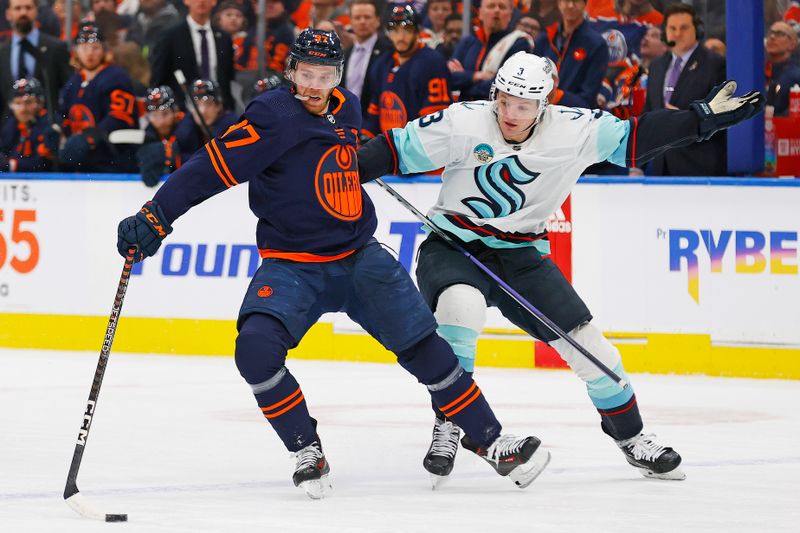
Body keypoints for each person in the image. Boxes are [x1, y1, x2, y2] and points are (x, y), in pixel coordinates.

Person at [115, 28, 551, 499]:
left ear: (338, 75)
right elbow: (209, 166)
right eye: (306, 74)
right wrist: (156, 215)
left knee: (428, 349)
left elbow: (338, 161)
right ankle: (306, 448)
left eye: (325, 76)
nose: (315, 86)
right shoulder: (272, 117)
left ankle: (490, 442)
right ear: (291, 72)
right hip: (294, 265)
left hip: (361, 258)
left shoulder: (348, 108)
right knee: (255, 349)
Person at [357, 51, 764, 483]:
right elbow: (391, 150)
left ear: (544, 104)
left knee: (594, 352)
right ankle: (450, 423)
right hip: (455, 247)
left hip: (523, 257)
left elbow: (637, 136)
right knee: (460, 313)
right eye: (504, 100)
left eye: (524, 105)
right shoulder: (462, 121)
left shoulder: (576, 130)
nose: (510, 113)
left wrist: (698, 119)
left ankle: (632, 438)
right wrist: (332, 166)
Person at [643, 2, 726, 176]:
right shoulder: (657, 66)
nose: (677, 33)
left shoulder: (715, 64)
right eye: (672, 28)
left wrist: (687, 119)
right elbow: (648, 113)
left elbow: (723, 116)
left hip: (700, 167)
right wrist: (639, 164)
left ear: (697, 30)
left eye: (684, 28)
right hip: (661, 167)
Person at [57, 21, 138, 172]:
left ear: (104, 50)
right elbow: (64, 114)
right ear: (76, 51)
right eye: (84, 48)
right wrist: (58, 130)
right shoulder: (73, 81)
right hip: (81, 161)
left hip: (112, 161)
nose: (89, 53)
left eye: (95, 48)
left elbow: (121, 117)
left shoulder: (116, 77)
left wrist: (90, 137)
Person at [362, 5, 451, 137]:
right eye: (395, 31)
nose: (400, 37)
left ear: (417, 31)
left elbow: (434, 120)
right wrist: (365, 139)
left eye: (407, 30)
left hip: (417, 147)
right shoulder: (382, 64)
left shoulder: (433, 63)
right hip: (387, 145)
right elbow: (375, 113)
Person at [149, 0, 235, 111]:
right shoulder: (170, 37)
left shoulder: (224, 38)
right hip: (183, 112)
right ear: (186, 1)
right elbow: (159, 78)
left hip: (218, 111)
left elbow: (227, 79)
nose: (201, 1)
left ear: (214, 2)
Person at [0, 0, 72, 129]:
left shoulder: (56, 48)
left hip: (47, 129)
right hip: (10, 133)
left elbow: (68, 89)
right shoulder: (2, 52)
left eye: (28, 7)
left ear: (36, 11)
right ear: (8, 13)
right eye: (18, 8)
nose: (23, 12)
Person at [448, 0, 532, 101]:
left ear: (510, 15)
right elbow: (448, 79)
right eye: (491, 6)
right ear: (480, 13)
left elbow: (502, 87)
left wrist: (464, 80)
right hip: (463, 110)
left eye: (502, 7)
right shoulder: (468, 42)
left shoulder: (518, 43)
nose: (497, 10)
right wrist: (475, 76)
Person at [534, 0, 609, 108]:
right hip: (538, 110)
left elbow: (588, 98)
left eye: (576, 1)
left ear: (585, 4)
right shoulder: (545, 38)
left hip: (573, 116)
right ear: (559, 3)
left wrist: (555, 95)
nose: (570, 5)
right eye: (566, 1)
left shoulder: (596, 44)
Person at [136, 85, 200, 186]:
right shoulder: (148, 133)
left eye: (165, 114)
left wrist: (175, 157)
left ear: (175, 111)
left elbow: (200, 162)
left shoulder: (189, 127)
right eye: (154, 115)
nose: (160, 121)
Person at [343, 0, 393, 120]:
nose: (362, 22)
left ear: (377, 20)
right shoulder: (345, 54)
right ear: (351, 21)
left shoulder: (389, 50)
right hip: (345, 121)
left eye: (367, 17)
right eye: (357, 17)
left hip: (376, 122)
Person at [0, 77, 54, 172]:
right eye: (18, 103)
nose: (23, 108)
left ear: (40, 103)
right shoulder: (11, 125)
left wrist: (12, 165)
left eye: (28, 102)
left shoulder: (49, 124)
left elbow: (44, 163)